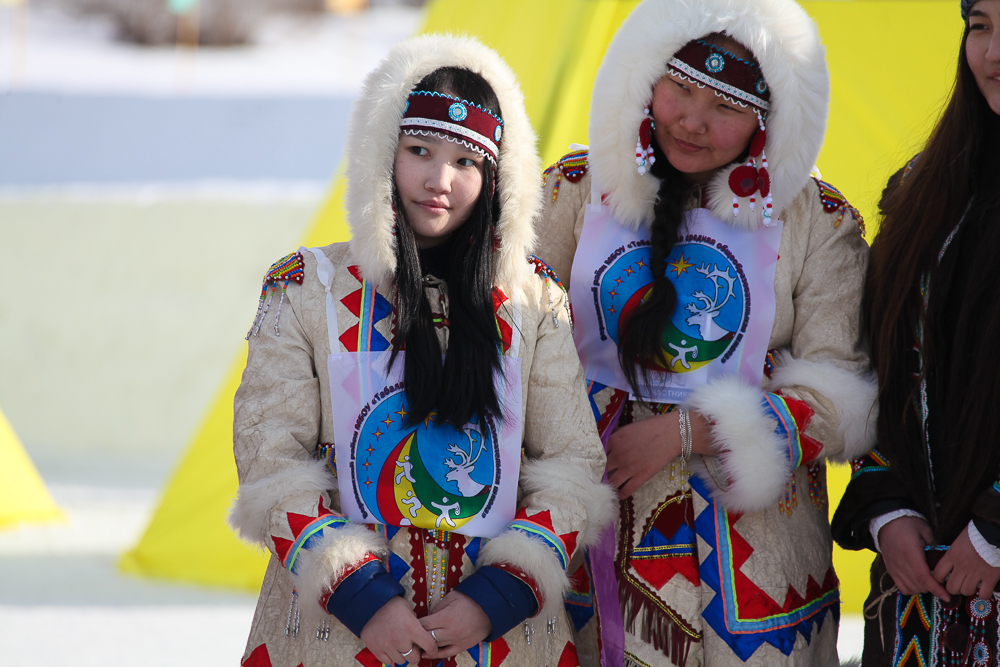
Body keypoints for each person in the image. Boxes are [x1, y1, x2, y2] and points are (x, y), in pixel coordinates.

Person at [228, 34, 614, 667]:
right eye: (419, 151)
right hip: (336, 634)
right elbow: (272, 461)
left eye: (466, 162)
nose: (440, 181)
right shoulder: (306, 290)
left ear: (496, 179)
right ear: (382, 153)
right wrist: (366, 601)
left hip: (500, 638)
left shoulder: (534, 303)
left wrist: (495, 596)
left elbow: (572, 464)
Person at [535, 0, 877, 664]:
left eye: (725, 106)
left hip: (757, 574)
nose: (692, 120)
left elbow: (844, 402)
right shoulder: (574, 191)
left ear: (768, 118)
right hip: (591, 541)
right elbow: (509, 346)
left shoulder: (818, 218)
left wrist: (687, 431)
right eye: (680, 88)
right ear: (645, 79)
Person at [831, 1, 1000, 664]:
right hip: (919, 601)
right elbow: (875, 363)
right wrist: (888, 508)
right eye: (981, 26)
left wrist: (993, 530)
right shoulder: (924, 195)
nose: (992, 54)